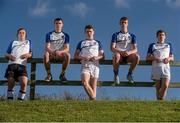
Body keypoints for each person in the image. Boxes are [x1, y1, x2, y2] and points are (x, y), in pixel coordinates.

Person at [74, 25, 104, 100]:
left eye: (90, 31)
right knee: (85, 83)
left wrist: (96, 57)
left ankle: (93, 104)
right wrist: (84, 57)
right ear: (85, 32)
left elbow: (102, 55)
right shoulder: (81, 43)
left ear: (93, 32)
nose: (89, 33)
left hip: (95, 66)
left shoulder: (98, 43)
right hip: (85, 65)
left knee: (93, 90)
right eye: (87, 31)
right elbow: (75, 56)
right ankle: (94, 99)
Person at [4, 27, 32, 100]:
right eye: (20, 33)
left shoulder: (28, 42)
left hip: (22, 66)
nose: (21, 34)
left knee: (24, 83)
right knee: (11, 82)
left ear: (25, 35)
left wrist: (28, 55)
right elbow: (6, 54)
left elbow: (31, 53)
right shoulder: (13, 42)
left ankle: (20, 100)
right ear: (17, 35)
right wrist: (9, 56)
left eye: (23, 33)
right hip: (12, 65)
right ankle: (10, 100)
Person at [146, 30, 174, 100]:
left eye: (163, 35)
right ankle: (160, 103)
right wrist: (155, 58)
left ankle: (159, 99)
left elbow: (172, 57)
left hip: (166, 67)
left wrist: (168, 59)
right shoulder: (152, 45)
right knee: (158, 87)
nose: (161, 36)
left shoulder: (168, 45)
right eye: (159, 35)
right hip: (156, 67)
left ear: (165, 37)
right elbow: (147, 57)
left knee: (165, 85)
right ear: (157, 37)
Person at [110, 17, 139, 84]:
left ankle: (129, 74)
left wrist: (129, 52)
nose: (123, 24)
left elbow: (135, 49)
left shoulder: (132, 35)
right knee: (116, 55)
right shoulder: (115, 35)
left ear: (127, 24)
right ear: (120, 23)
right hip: (119, 55)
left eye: (125, 22)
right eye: (122, 22)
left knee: (137, 57)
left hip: (128, 56)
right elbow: (112, 48)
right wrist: (121, 52)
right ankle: (116, 75)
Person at [44, 18, 70, 82]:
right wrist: (54, 51)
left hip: (60, 54)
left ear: (62, 24)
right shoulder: (49, 34)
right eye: (56, 23)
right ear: (54, 24)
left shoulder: (66, 35)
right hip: (52, 54)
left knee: (68, 55)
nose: (58, 25)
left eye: (59, 23)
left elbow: (67, 48)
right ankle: (49, 74)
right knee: (46, 54)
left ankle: (62, 74)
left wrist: (60, 52)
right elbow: (47, 47)